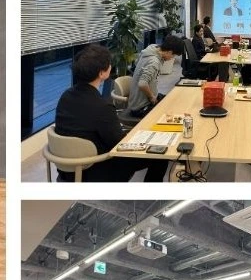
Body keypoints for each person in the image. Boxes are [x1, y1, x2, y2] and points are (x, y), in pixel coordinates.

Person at [52, 44, 166, 182]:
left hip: (67, 169)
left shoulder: (65, 96)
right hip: (95, 169)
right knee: (160, 153)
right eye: (109, 64)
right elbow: (120, 144)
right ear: (102, 73)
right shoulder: (102, 106)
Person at [126, 36, 184, 118]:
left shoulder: (152, 48)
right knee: (170, 112)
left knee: (171, 99)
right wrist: (152, 97)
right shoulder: (154, 62)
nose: (172, 58)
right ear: (169, 52)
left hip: (140, 100)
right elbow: (142, 84)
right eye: (173, 55)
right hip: (141, 107)